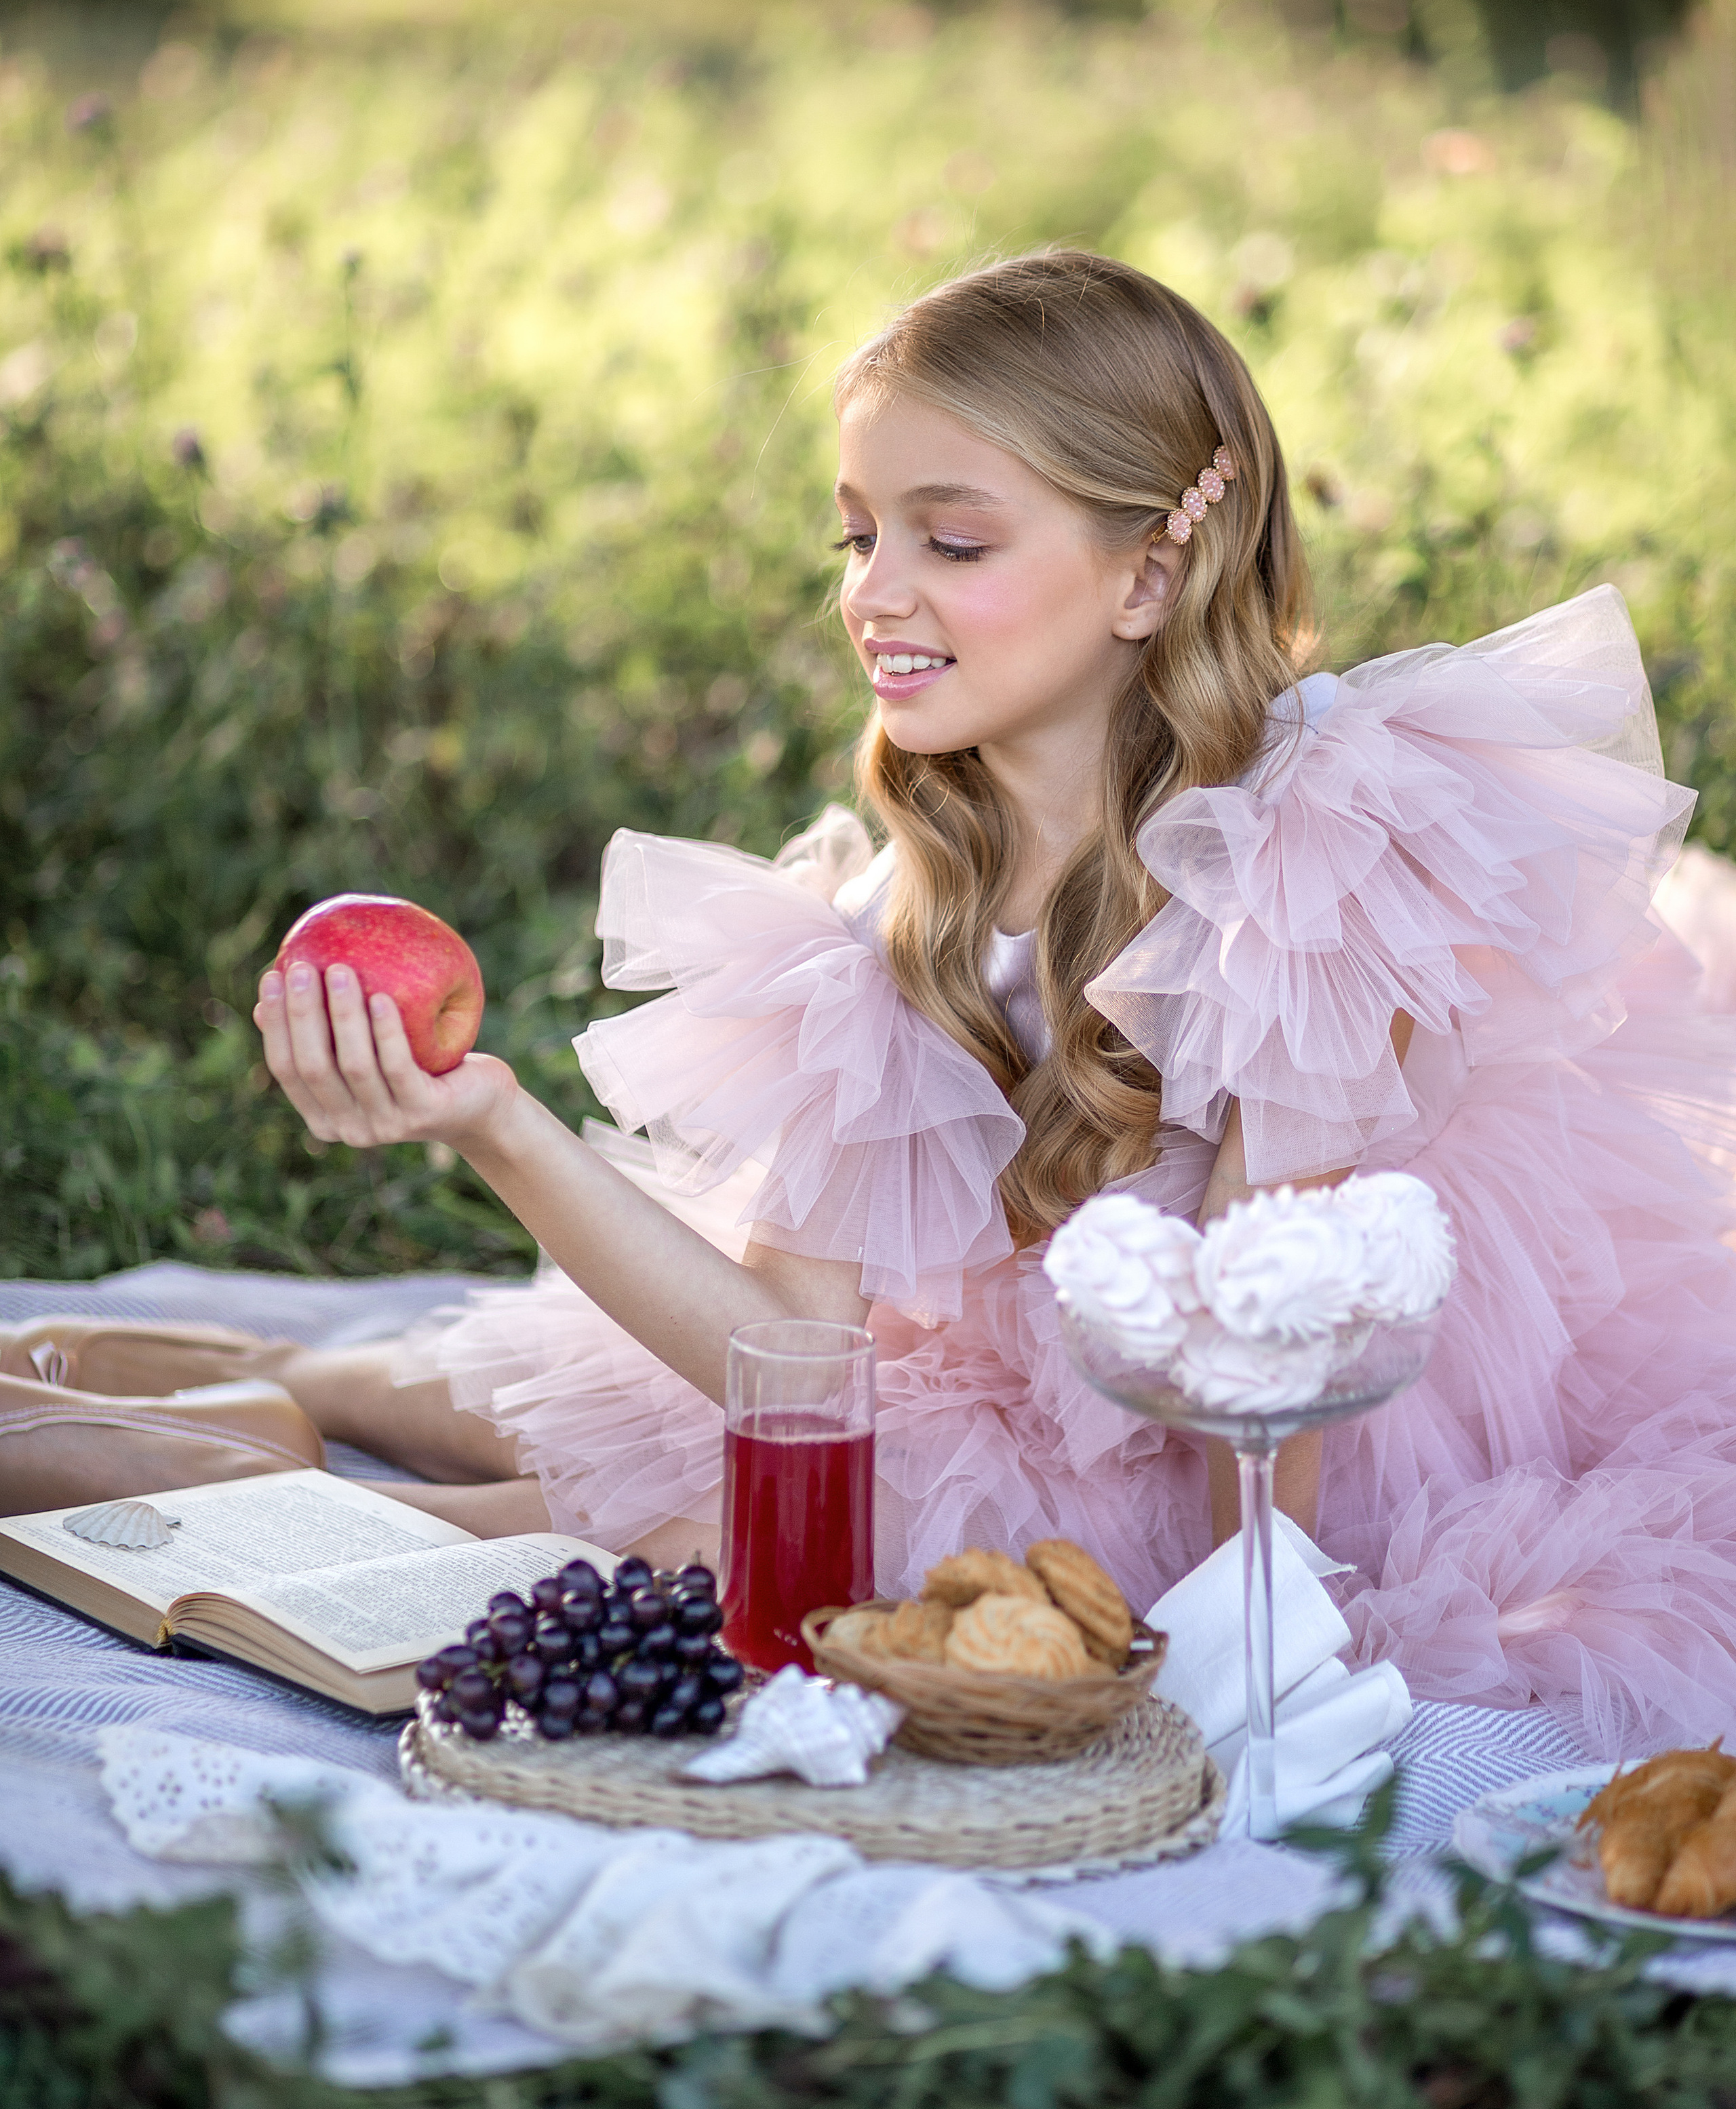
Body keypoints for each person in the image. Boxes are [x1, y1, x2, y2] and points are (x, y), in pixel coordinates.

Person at [14, 250, 1736, 1756]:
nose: (873, 592)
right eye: (857, 535)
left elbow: (1260, 1406)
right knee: (563, 1410)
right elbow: (791, 1357)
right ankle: (270, 1381)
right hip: (998, 1367)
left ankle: (237, 1463)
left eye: (950, 539)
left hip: (1267, 1430)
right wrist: (498, 1124)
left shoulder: (1311, 861)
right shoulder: (905, 904)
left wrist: (1226, 1682)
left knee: (650, 1531)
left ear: (1148, 574)